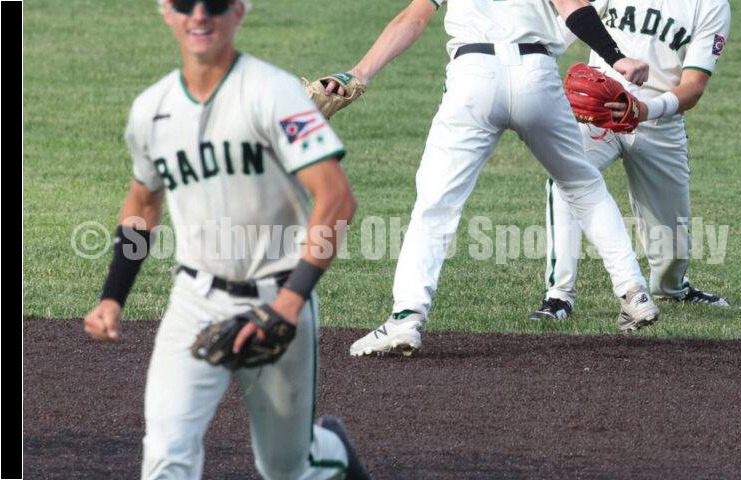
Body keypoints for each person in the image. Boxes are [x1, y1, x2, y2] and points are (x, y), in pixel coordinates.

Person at [83, 1, 370, 478]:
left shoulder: (273, 93)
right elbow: (141, 206)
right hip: (194, 302)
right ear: (166, 12)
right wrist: (112, 297)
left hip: (279, 298)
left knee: (286, 469)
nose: (199, 15)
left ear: (238, 11)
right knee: (166, 457)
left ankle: (332, 452)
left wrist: (290, 302)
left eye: (214, 3)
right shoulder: (151, 110)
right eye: (184, 4)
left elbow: (337, 200)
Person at [319, 0, 661, 357]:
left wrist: (359, 73)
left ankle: (407, 317)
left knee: (436, 205)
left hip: (473, 78)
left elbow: (414, 17)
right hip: (536, 76)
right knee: (583, 186)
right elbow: (573, 7)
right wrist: (616, 57)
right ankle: (633, 292)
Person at [530, 0, 731, 320]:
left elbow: (693, 88)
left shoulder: (710, 6)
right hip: (597, 112)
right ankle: (559, 295)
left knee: (672, 246)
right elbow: (562, 29)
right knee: (566, 179)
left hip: (660, 122)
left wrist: (643, 110)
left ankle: (673, 288)